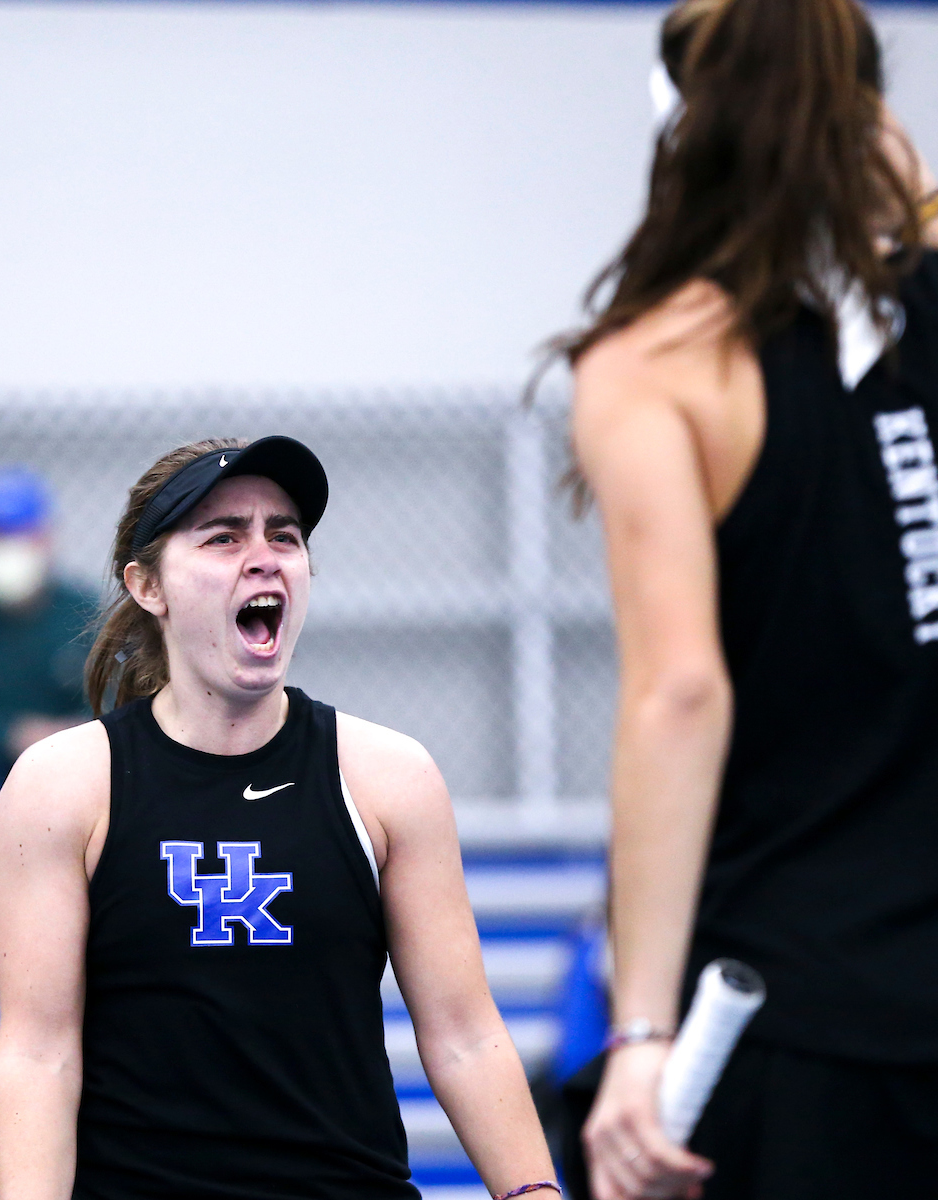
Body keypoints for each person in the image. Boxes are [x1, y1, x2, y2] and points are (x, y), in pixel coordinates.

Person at [560, 0, 938, 1197]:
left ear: (685, 128)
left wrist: (640, 1034)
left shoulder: (657, 362)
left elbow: (680, 692)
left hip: (794, 1002)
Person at [0, 436, 561, 1200]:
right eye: (223, 537)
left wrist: (533, 1193)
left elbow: (463, 1034)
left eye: (283, 535)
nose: (263, 556)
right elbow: (38, 1054)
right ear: (147, 586)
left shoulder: (388, 778)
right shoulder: (63, 787)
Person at [0, 468, 94, 835]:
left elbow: (114, 693)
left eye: (22, 536)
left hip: (70, 757)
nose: (10, 549)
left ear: (46, 538)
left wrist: (70, 734)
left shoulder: (81, 612)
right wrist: (12, 732)